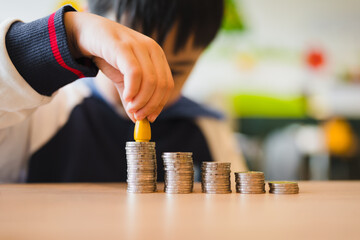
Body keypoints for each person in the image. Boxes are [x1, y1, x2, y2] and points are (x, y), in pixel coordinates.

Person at [0, 0, 247, 183]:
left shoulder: (210, 131)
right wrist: (71, 33)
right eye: (129, 61)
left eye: (175, 71)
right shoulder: (35, 114)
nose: (150, 84)